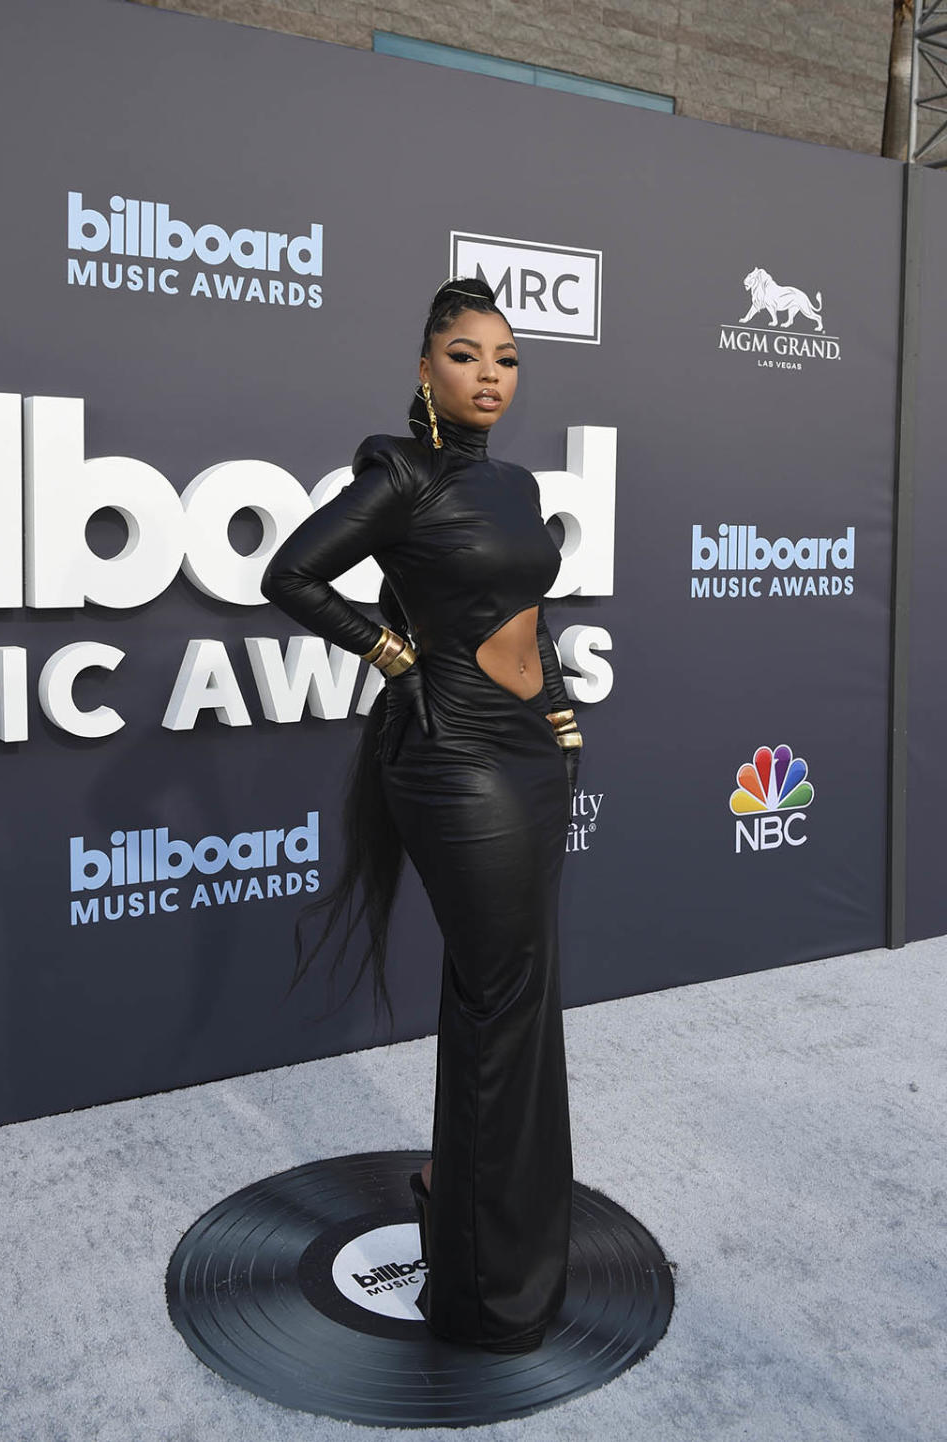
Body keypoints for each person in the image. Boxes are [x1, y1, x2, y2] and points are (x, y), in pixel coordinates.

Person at [260, 276, 583, 1354]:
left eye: (506, 358)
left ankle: (470, 1213)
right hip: (455, 758)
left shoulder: (523, 483)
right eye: (465, 354)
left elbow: (533, 611)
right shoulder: (397, 472)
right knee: (506, 998)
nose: (489, 374)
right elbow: (292, 572)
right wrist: (394, 655)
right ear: (424, 369)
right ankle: (490, 1290)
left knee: (513, 998)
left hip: (531, 756)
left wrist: (562, 709)